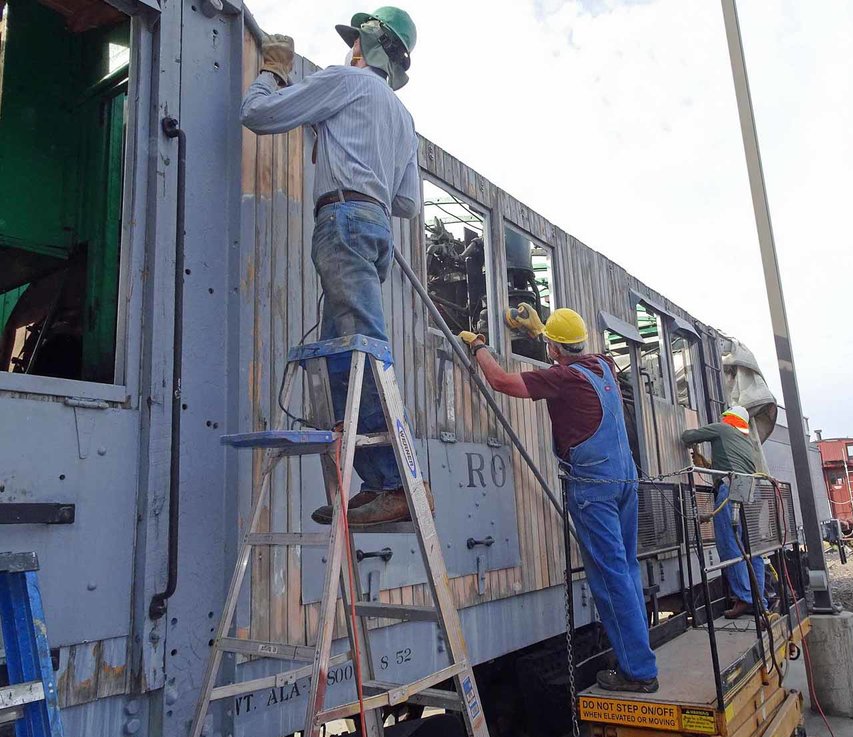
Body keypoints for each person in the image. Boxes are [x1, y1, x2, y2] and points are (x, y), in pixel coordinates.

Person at [239, 8, 422, 527]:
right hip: (377, 226)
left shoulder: (346, 81)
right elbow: (406, 202)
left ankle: (395, 482)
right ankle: (374, 481)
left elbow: (260, 115)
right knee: (345, 359)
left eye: (357, 40)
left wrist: (273, 71)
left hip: (341, 218)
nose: (350, 48)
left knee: (360, 351)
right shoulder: (404, 118)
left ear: (372, 46)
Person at [459, 306, 659, 693]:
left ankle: (639, 672)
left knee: (609, 577)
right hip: (625, 482)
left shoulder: (562, 379)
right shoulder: (603, 366)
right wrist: (542, 333)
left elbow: (501, 381)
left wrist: (479, 345)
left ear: (554, 349)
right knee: (626, 570)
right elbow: (568, 356)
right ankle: (640, 656)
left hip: (594, 490)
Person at [681, 406, 766, 618]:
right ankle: (759, 600)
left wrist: (692, 443)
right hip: (749, 491)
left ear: (728, 418)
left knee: (729, 545)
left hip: (731, 489)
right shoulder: (745, 441)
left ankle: (745, 598)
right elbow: (731, 466)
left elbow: (687, 436)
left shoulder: (722, 429)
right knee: (751, 548)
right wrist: (707, 464)